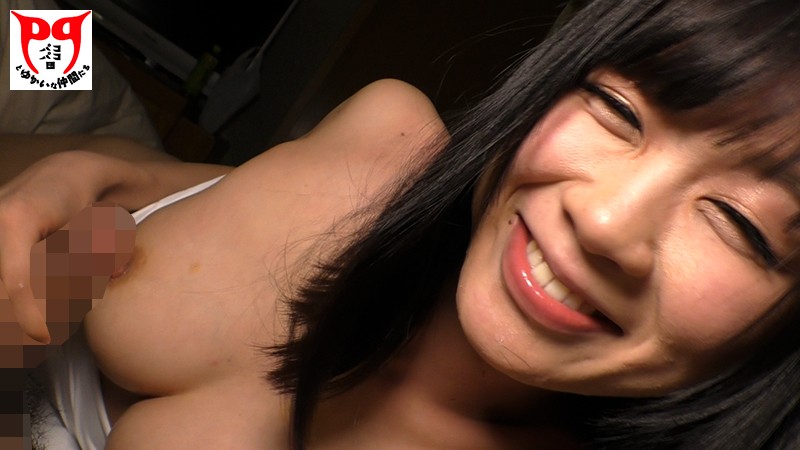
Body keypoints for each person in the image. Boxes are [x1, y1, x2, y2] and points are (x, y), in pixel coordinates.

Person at [6, 0, 800, 448]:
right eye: (617, 108)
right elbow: (172, 187)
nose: (602, 219)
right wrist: (73, 181)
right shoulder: (386, 131)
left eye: (742, 224)